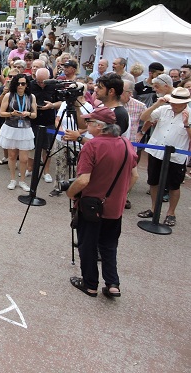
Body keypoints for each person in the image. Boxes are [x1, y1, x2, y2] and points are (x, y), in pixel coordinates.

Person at [66, 106, 138, 298]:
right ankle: (113, 283)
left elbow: (83, 180)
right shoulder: (126, 143)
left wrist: (71, 194)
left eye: (89, 122)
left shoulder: (92, 146)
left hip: (91, 206)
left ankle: (90, 284)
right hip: (115, 207)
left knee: (87, 245)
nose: (86, 125)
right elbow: (134, 176)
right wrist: (120, 194)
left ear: (100, 126)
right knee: (109, 244)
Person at [137, 87, 191, 226]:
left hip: (176, 155)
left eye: (176, 103)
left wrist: (187, 125)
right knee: (153, 181)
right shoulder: (164, 109)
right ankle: (154, 209)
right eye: (172, 102)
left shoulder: (189, 114)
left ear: (185, 103)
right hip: (156, 151)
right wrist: (157, 104)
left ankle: (171, 213)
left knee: (174, 185)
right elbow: (143, 118)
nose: (173, 105)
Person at [0, 73, 37, 191]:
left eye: (23, 83)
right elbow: (1, 113)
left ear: (27, 85)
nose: (20, 86)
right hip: (11, 128)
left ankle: (23, 180)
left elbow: (35, 115)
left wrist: (28, 113)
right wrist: (12, 114)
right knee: (12, 155)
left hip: (25, 129)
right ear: (15, 84)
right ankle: (13, 179)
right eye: (18, 83)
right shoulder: (9, 96)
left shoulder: (31, 97)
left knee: (24, 158)